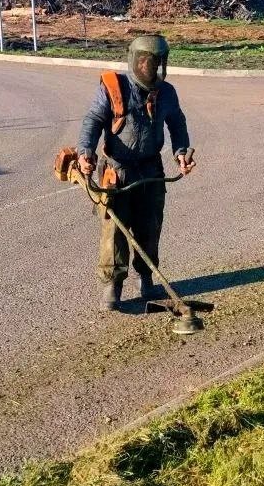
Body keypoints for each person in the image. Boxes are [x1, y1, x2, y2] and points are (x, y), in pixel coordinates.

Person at [77, 35, 195, 310]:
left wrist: (181, 152)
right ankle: (113, 284)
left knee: (150, 227)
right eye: (146, 61)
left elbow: (177, 123)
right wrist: (86, 152)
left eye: (157, 62)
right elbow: (93, 120)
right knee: (115, 230)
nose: (151, 68)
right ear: (135, 60)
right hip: (117, 172)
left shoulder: (167, 92)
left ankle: (146, 278)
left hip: (151, 170)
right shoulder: (113, 88)